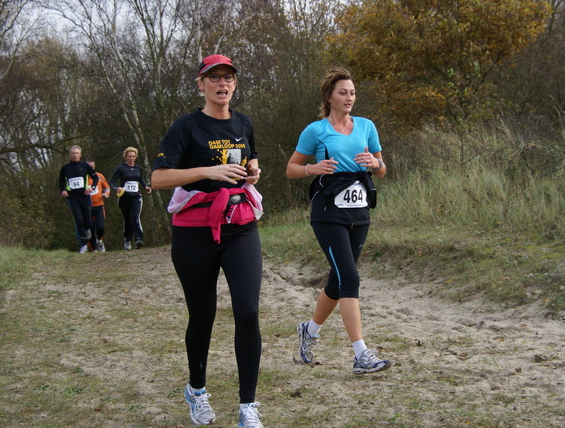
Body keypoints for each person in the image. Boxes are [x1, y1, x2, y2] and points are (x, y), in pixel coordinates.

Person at [151, 54, 265, 427]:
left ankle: (247, 406)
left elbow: (251, 162)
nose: (222, 82)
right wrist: (207, 170)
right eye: (213, 77)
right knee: (203, 316)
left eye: (228, 77)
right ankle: (196, 390)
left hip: (240, 225)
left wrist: (252, 171)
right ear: (201, 85)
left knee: (247, 310)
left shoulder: (244, 123)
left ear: (234, 84)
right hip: (194, 231)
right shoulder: (186, 127)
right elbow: (158, 179)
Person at [286, 67, 392, 375]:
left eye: (353, 93)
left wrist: (377, 163)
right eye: (343, 92)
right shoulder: (316, 130)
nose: (349, 98)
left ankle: (310, 331)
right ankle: (361, 354)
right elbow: (291, 168)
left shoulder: (366, 126)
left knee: (339, 280)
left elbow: (382, 169)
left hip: (359, 211)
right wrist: (313, 168)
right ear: (329, 97)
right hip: (328, 212)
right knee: (350, 278)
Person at [59, 145, 99, 254]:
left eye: (77, 153)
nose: (75, 155)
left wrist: (92, 187)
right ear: (69, 155)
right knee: (79, 220)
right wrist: (63, 190)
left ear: (80, 154)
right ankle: (84, 245)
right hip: (73, 197)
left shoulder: (85, 165)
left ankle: (93, 245)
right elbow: (61, 181)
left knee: (88, 222)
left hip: (84, 196)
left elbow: (95, 177)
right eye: (73, 153)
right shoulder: (65, 168)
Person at [110, 147, 152, 250]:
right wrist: (117, 188)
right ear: (125, 157)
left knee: (135, 217)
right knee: (128, 219)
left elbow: (140, 178)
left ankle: (138, 239)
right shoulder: (121, 168)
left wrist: (146, 186)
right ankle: (127, 239)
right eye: (129, 156)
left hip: (136, 196)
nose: (131, 158)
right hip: (124, 197)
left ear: (136, 157)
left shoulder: (138, 168)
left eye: (133, 156)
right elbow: (112, 181)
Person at [86, 160, 110, 252]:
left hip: (99, 205)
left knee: (100, 227)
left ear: (94, 167)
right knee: (90, 228)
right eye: (88, 167)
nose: (90, 169)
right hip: (87, 207)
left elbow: (106, 186)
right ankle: (93, 249)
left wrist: (106, 193)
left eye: (92, 167)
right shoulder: (83, 178)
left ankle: (99, 241)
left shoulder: (99, 176)